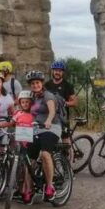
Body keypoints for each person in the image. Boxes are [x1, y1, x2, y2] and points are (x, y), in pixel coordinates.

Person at [27, 69, 60, 200]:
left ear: (41, 83)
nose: (35, 85)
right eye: (33, 83)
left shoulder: (48, 95)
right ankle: (28, 189)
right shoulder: (32, 96)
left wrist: (48, 120)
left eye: (37, 82)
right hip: (36, 128)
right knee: (29, 159)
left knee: (45, 154)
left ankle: (50, 186)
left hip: (51, 128)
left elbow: (52, 111)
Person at [44, 59, 77, 146]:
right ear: (52, 71)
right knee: (49, 138)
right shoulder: (47, 85)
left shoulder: (68, 85)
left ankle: (69, 157)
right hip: (49, 117)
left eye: (59, 71)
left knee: (65, 139)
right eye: (55, 70)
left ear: (63, 72)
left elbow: (74, 102)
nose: (57, 72)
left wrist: (64, 103)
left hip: (63, 117)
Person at [12, 90, 35, 204]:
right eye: (23, 102)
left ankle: (28, 191)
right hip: (18, 145)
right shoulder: (17, 114)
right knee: (18, 168)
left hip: (29, 145)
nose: (25, 104)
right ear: (20, 103)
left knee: (27, 169)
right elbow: (11, 123)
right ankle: (19, 190)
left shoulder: (33, 116)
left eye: (28, 102)